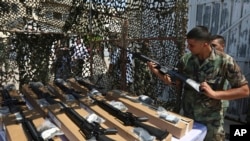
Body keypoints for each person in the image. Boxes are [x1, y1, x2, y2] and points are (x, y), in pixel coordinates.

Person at [147, 26, 249, 141]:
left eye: (192, 45)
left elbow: (244, 91)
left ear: (205, 44)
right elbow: (175, 82)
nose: (188, 47)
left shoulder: (225, 61)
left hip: (211, 122)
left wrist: (214, 94)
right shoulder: (186, 60)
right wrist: (157, 73)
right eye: (188, 44)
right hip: (189, 119)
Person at [210, 35, 229, 117]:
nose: (211, 48)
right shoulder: (209, 60)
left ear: (222, 46)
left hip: (219, 104)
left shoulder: (226, 62)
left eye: (214, 45)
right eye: (210, 45)